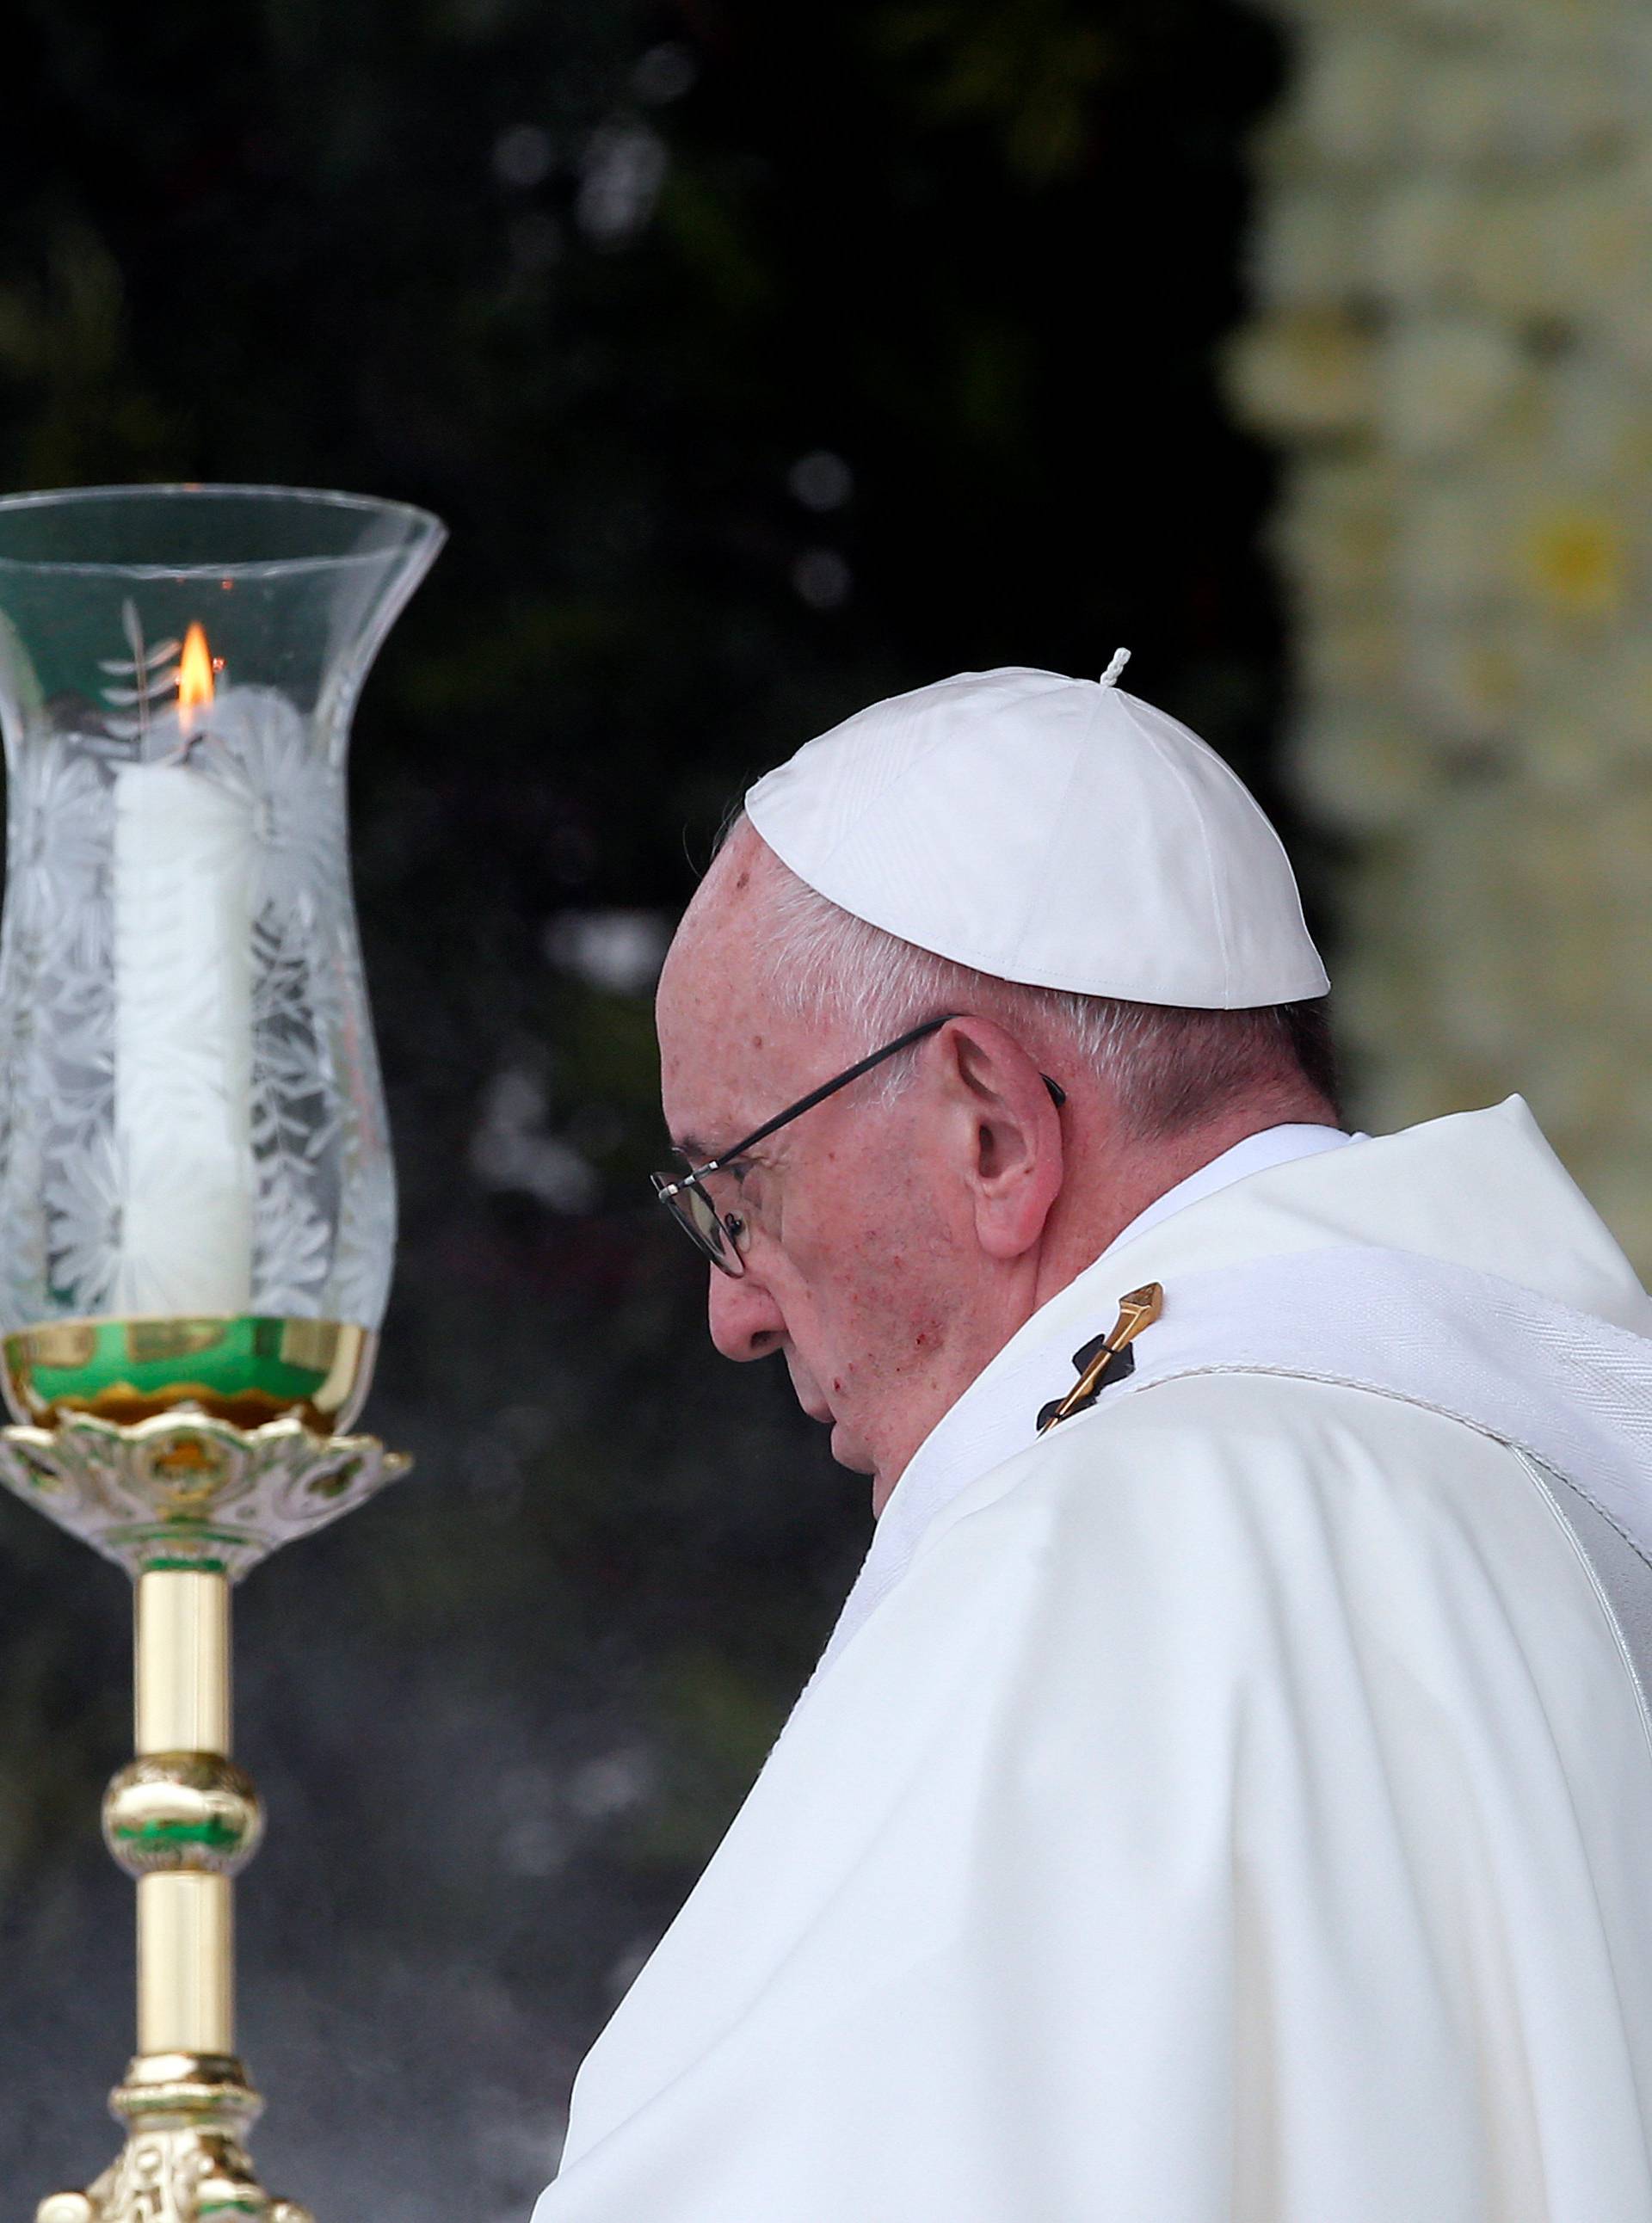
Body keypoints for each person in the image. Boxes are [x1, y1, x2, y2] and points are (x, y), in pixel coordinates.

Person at [533, 663, 1652, 2223]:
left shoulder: (1123, 1540)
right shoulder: (1559, 1497)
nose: (736, 1316)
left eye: (737, 1195)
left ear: (990, 1125)